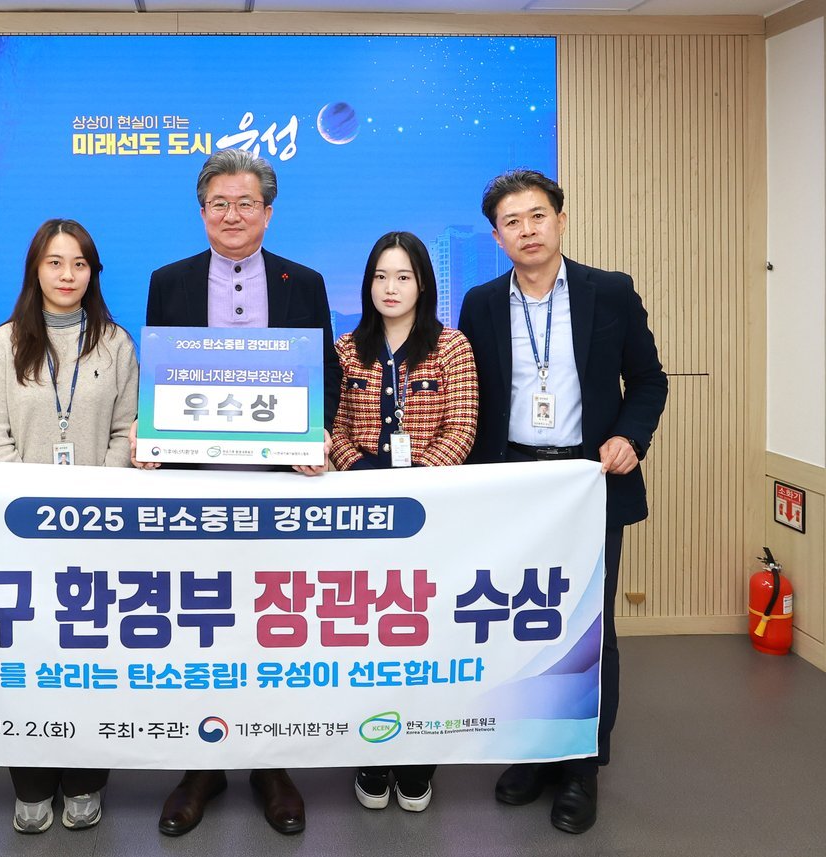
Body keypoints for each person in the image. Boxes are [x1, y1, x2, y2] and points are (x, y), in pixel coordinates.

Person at [135, 148, 343, 836]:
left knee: (273, 624)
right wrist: (152, 434)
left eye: (245, 202)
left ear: (268, 212)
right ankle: (201, 765)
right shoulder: (168, 281)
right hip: (196, 487)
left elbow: (326, 373)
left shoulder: (303, 281)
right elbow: (159, 376)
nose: (232, 215)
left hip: (280, 486)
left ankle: (270, 764)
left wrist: (315, 434)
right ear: (202, 212)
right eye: (218, 203)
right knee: (202, 625)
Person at [457, 170, 667, 834]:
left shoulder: (611, 291)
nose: (527, 230)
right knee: (521, 620)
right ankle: (534, 751)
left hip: (586, 481)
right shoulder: (480, 303)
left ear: (561, 220)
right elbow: (474, 396)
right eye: (512, 222)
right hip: (513, 484)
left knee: (588, 626)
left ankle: (581, 765)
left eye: (537, 216)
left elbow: (649, 381)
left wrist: (631, 437)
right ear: (497, 237)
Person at [0, 218, 138, 833]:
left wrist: (96, 498)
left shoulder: (116, 344)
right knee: (29, 658)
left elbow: (126, 430)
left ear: (93, 273)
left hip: (99, 529)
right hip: (23, 530)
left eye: (79, 264)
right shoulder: (4, 342)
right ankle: (31, 781)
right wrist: (34, 506)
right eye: (55, 263)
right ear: (35, 270)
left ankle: (86, 780)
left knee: (92, 658)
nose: (68, 275)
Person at [331, 231, 477, 812]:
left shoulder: (451, 347)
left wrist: (414, 485)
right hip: (361, 512)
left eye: (403, 277)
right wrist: (361, 474)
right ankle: (370, 751)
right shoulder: (346, 349)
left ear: (423, 284)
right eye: (380, 277)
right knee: (366, 636)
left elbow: (462, 427)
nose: (390, 288)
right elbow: (333, 428)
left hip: (431, 514)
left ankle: (418, 756)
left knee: (424, 635)